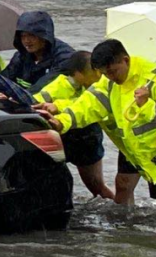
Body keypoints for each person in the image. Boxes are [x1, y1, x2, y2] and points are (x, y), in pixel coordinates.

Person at [46, 39, 156, 229]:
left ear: (125, 60)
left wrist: (147, 105)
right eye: (105, 73)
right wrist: (61, 121)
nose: (110, 77)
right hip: (146, 154)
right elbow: (86, 106)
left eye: (113, 71)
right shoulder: (108, 83)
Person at [0, 12, 108, 200]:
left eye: (32, 35)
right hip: (45, 126)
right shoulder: (22, 56)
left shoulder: (66, 58)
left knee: (96, 186)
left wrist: (14, 98)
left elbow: (46, 89)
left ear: (45, 35)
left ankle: (117, 213)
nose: (27, 41)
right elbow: (4, 79)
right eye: (23, 36)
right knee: (42, 174)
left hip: (81, 132)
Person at [33, 51, 138, 204]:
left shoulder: (108, 84)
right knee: (122, 186)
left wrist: (57, 107)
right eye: (94, 71)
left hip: (114, 140)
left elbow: (88, 105)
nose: (99, 75)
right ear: (78, 73)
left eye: (99, 70)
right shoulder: (62, 84)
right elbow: (38, 100)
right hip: (115, 143)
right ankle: (126, 219)